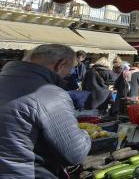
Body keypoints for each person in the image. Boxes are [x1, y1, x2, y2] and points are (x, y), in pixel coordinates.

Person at [0, 44, 91, 178]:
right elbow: (75, 154)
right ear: (60, 65)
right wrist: (85, 134)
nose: (68, 76)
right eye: (70, 70)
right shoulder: (49, 93)